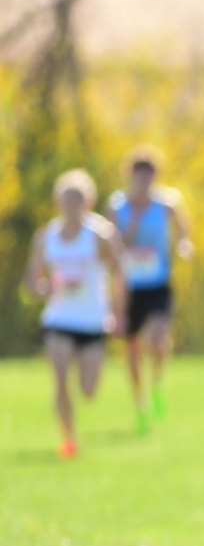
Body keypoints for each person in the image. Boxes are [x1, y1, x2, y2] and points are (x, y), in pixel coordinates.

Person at [24, 170, 126, 459]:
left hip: (93, 319)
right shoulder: (46, 237)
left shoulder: (100, 234)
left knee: (88, 389)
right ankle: (68, 438)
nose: (72, 204)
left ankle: (75, 420)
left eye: (78, 198)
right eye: (67, 198)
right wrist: (45, 289)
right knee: (59, 379)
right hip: (59, 318)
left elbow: (120, 273)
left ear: (88, 200)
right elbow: (32, 282)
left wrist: (119, 314)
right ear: (58, 200)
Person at [109, 146, 191, 431]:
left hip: (158, 282)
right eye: (139, 174)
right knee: (132, 351)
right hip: (129, 286)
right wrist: (131, 225)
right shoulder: (117, 206)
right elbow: (113, 245)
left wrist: (183, 244)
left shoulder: (167, 203)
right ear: (130, 175)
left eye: (149, 174)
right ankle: (140, 401)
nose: (144, 180)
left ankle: (157, 383)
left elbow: (184, 228)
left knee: (157, 339)